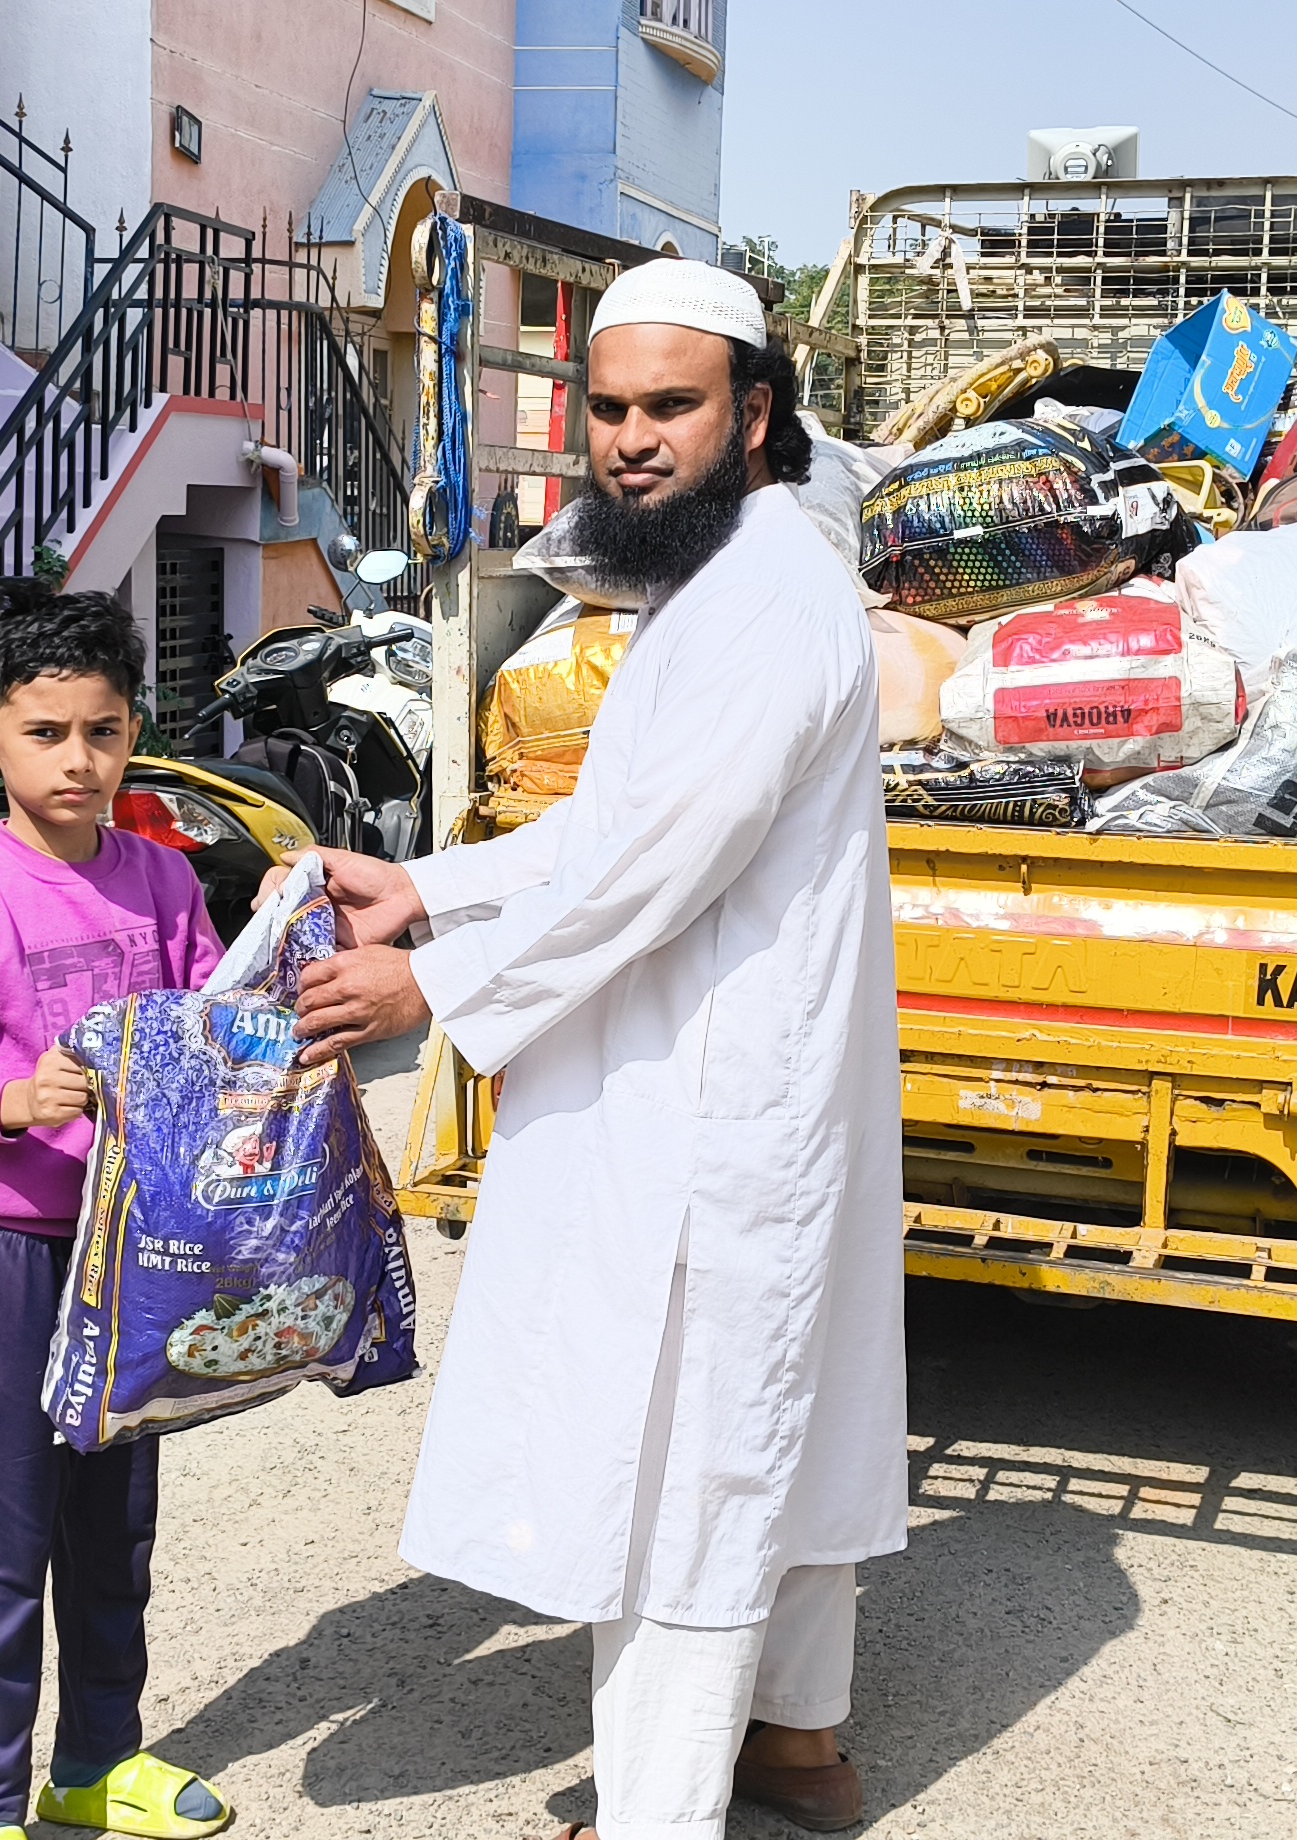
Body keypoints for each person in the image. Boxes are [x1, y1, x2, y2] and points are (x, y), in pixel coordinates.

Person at [290, 258, 908, 1840]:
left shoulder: (766, 601)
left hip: (713, 1104)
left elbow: (655, 863)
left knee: (694, 1462)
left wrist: (439, 987)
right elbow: (614, 824)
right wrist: (432, 884)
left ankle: (658, 1814)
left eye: (670, 408)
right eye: (610, 409)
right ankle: (795, 1741)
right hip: (731, 1084)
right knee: (793, 1406)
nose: (630, 440)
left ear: (754, 414)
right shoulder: (720, 583)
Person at [0, 592, 237, 1840]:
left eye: (102, 729)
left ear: (133, 728)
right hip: (14, 1256)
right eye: (46, 732)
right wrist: (16, 1098)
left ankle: (94, 1765)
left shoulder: (160, 879)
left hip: (134, 1251)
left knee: (113, 1530)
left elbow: (207, 1019)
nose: (78, 760)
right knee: (3, 1535)